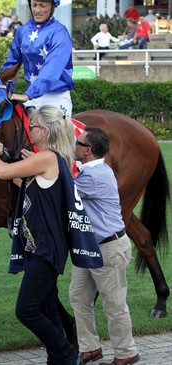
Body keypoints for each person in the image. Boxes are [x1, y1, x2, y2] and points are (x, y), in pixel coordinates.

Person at [0, 105, 86, 365]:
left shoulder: (48, 158)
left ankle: (66, 354)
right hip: (41, 246)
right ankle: (58, 359)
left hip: (46, 247)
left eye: (32, 126)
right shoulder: (49, 160)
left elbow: (0, 172)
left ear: (43, 131)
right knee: (47, 307)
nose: (28, 130)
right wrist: (21, 168)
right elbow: (29, 186)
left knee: (26, 310)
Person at [69, 127, 139, 365]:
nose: (74, 144)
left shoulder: (94, 176)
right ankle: (89, 348)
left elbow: (61, 195)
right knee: (78, 296)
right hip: (91, 247)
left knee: (114, 305)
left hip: (108, 249)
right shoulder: (95, 169)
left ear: (87, 150)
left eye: (78, 142)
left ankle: (126, 353)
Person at [2, 0, 74, 117]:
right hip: (31, 96)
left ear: (53, 7)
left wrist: (28, 95)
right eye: (34, 5)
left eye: (42, 5)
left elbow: (51, 70)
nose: (37, 10)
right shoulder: (22, 31)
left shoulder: (60, 33)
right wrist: (4, 88)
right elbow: (11, 64)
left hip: (56, 98)